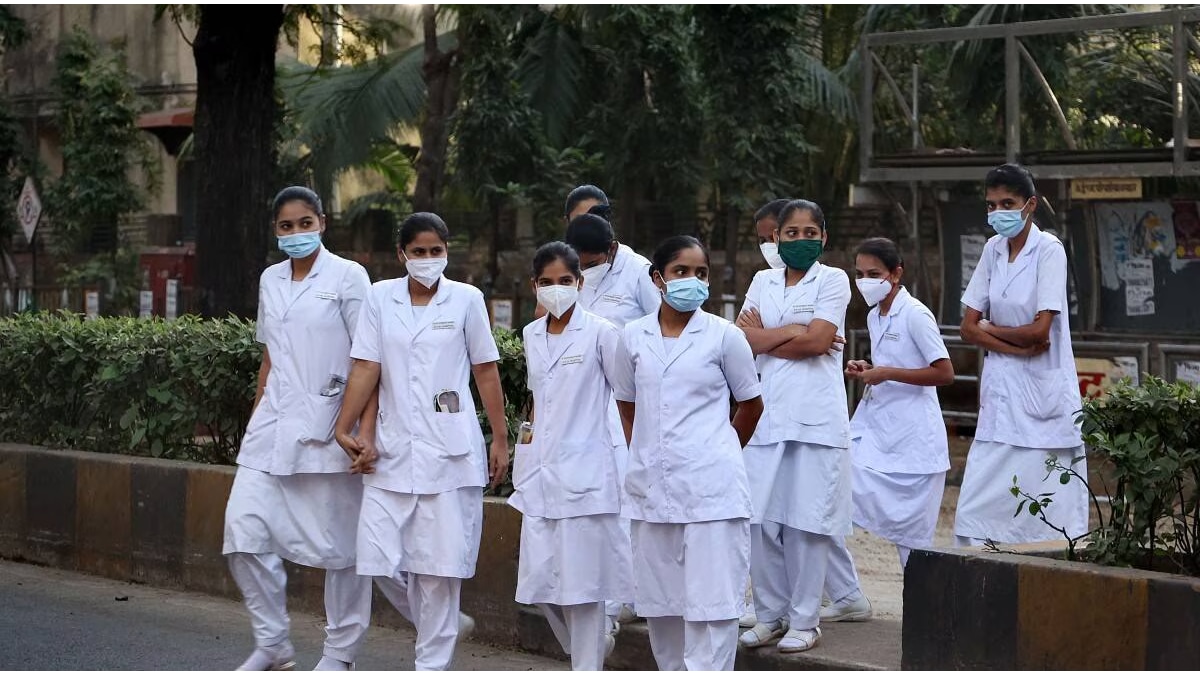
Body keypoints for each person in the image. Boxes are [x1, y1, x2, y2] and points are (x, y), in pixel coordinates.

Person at [333, 212, 510, 671]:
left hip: (450, 451)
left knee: (439, 570)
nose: (428, 260)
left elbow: (485, 369)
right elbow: (367, 366)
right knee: (376, 557)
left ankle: (431, 663)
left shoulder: (466, 299)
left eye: (436, 252)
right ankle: (438, 624)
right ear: (402, 255)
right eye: (418, 252)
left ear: (447, 252)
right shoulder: (380, 297)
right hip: (391, 450)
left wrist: (501, 438)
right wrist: (345, 427)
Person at [223, 186, 374, 671]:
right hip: (271, 427)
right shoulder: (271, 279)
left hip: (333, 427)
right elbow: (270, 354)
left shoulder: (350, 277)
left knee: (343, 552)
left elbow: (370, 358)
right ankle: (273, 645)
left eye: (304, 224)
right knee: (242, 531)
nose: (296, 234)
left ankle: (339, 656)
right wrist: (255, 419)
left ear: (323, 223)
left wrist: (360, 429)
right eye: (286, 226)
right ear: (276, 231)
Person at [611, 235, 764, 671]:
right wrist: (648, 453)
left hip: (712, 492)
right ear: (658, 278)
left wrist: (720, 451)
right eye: (681, 271)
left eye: (701, 273)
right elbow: (627, 402)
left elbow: (751, 405)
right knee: (661, 605)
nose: (692, 281)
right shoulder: (633, 337)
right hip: (651, 491)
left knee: (711, 605)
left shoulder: (724, 336)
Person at [734, 199, 852, 653]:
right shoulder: (762, 280)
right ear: (776, 238)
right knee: (759, 521)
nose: (800, 240)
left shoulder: (835, 279)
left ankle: (806, 620)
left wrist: (771, 336)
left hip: (815, 420)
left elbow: (821, 340)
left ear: (823, 237)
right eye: (790, 233)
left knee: (807, 523)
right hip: (767, 416)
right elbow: (740, 340)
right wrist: (793, 332)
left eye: (809, 233)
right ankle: (770, 614)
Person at [510, 241, 634, 670]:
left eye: (565, 281)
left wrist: (632, 457)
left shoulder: (602, 332)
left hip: (587, 471)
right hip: (541, 471)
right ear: (534, 286)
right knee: (539, 581)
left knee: (583, 584)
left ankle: (586, 664)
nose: (556, 289)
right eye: (547, 282)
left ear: (580, 283)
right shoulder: (530, 335)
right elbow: (537, 400)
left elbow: (626, 397)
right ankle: (588, 651)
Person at [955, 163, 1088, 546]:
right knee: (977, 504)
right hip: (1001, 393)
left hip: (1041, 396)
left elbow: (1040, 330)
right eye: (992, 205)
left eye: (1007, 203)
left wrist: (991, 330)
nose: (998, 212)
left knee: (1051, 505)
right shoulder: (993, 249)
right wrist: (1018, 346)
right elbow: (967, 327)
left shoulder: (1049, 250)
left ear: (1030, 204)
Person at [822, 238, 956, 618]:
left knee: (913, 542)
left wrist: (886, 373)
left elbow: (943, 373)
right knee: (828, 496)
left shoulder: (915, 314)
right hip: (876, 430)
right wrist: (868, 368)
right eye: (860, 275)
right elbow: (893, 364)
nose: (865, 282)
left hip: (914, 442)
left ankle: (928, 618)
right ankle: (844, 594)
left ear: (896, 274)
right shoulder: (873, 315)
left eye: (874, 275)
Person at [562, 208, 660, 630]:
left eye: (592, 262)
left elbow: (664, 322)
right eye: (579, 264)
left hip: (630, 396)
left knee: (624, 498)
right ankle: (615, 598)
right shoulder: (565, 273)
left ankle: (624, 600)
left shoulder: (639, 271)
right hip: (585, 398)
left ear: (612, 250)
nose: (586, 271)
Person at [754, 198, 791, 271]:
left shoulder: (819, 279)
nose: (769, 245)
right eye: (763, 240)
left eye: (774, 238)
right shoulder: (761, 279)